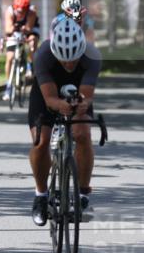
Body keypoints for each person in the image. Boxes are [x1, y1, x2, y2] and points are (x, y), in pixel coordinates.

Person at [29, 18, 102, 227]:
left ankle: (83, 194)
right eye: (64, 61)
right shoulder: (43, 55)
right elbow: (50, 99)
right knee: (41, 142)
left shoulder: (92, 56)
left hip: (78, 91)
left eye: (73, 60)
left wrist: (81, 104)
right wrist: (59, 105)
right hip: (46, 94)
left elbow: (86, 95)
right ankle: (41, 195)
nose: (69, 65)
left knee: (82, 134)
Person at [2, 0, 40, 101]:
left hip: (30, 30)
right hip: (15, 31)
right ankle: (8, 84)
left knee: (32, 41)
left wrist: (24, 31)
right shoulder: (9, 11)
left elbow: (29, 28)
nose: (19, 13)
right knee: (10, 57)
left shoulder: (32, 12)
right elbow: (8, 29)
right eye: (18, 11)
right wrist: (13, 29)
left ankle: (30, 64)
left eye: (22, 11)